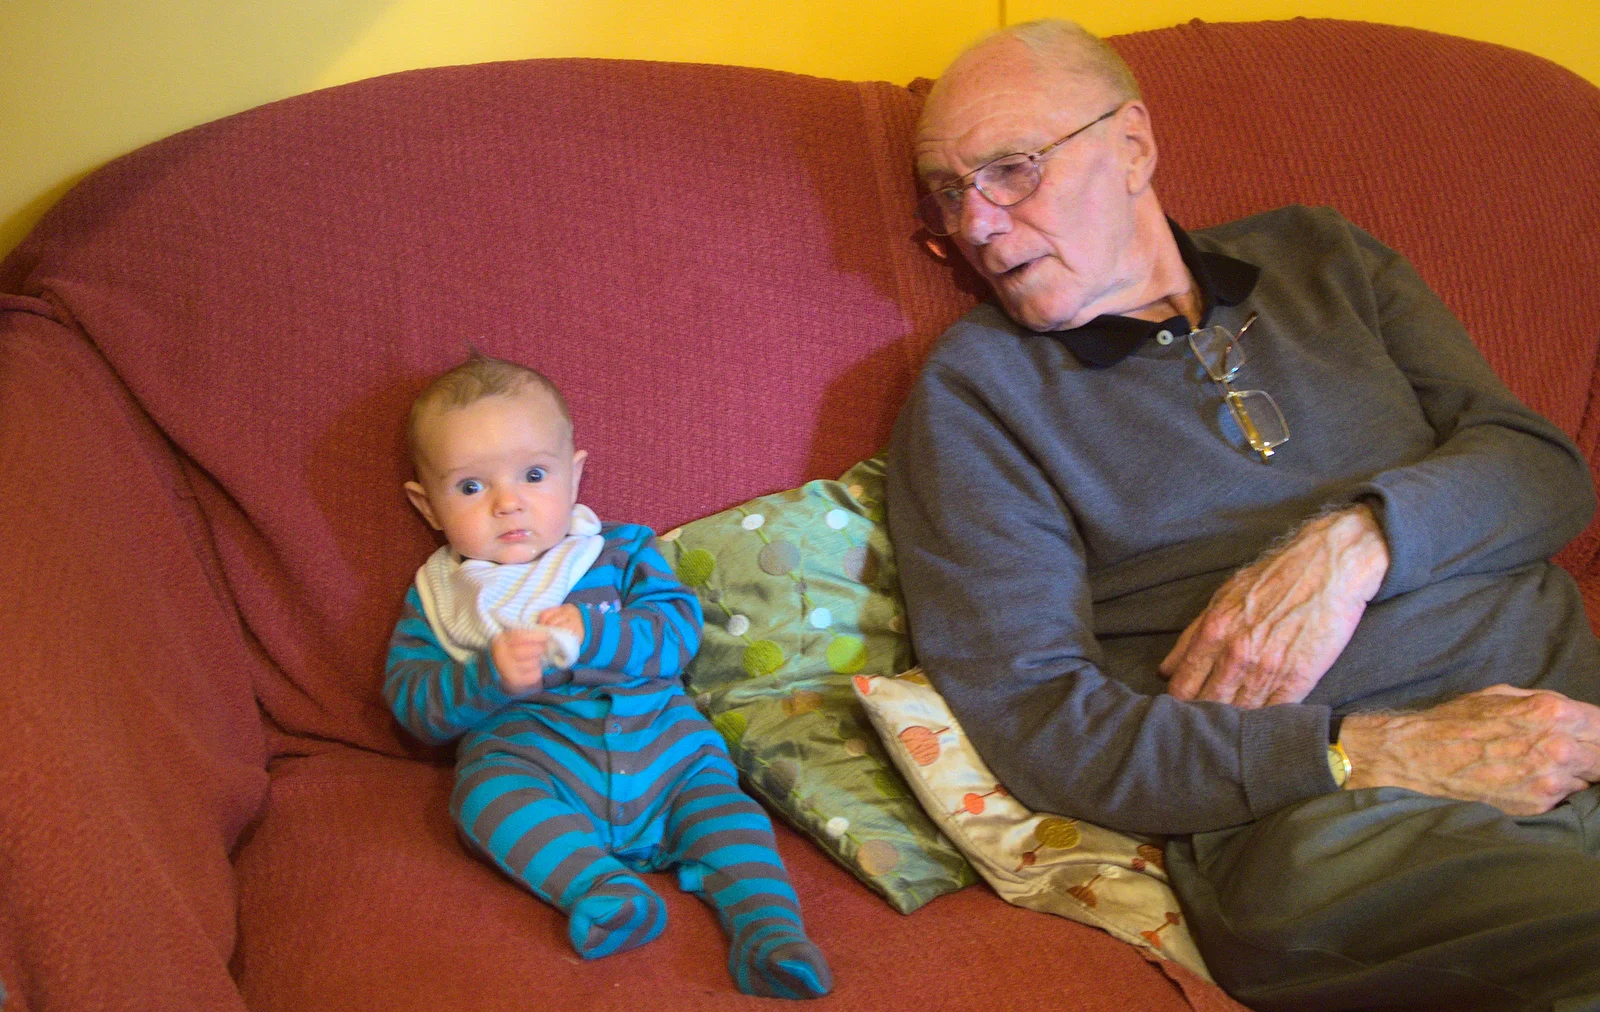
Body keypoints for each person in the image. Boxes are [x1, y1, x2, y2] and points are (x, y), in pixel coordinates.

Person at [886, 19, 1600, 1009]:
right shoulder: (979, 395)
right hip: (1336, 817)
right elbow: (1040, 723)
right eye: (948, 198)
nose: (975, 226)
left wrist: (1358, 542)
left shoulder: (1321, 258)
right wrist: (1364, 749)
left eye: (1010, 172)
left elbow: (1541, 471)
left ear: (1131, 144)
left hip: (1573, 721)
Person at [385, 354, 831, 999]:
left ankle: (770, 932)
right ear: (428, 507)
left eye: (534, 474)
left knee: (729, 819)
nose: (508, 503)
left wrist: (593, 636)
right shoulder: (441, 597)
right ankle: (600, 887)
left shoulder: (619, 552)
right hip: (539, 767)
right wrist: (485, 677)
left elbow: (676, 636)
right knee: (481, 797)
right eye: (471, 487)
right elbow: (412, 705)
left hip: (670, 764)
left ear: (575, 476)